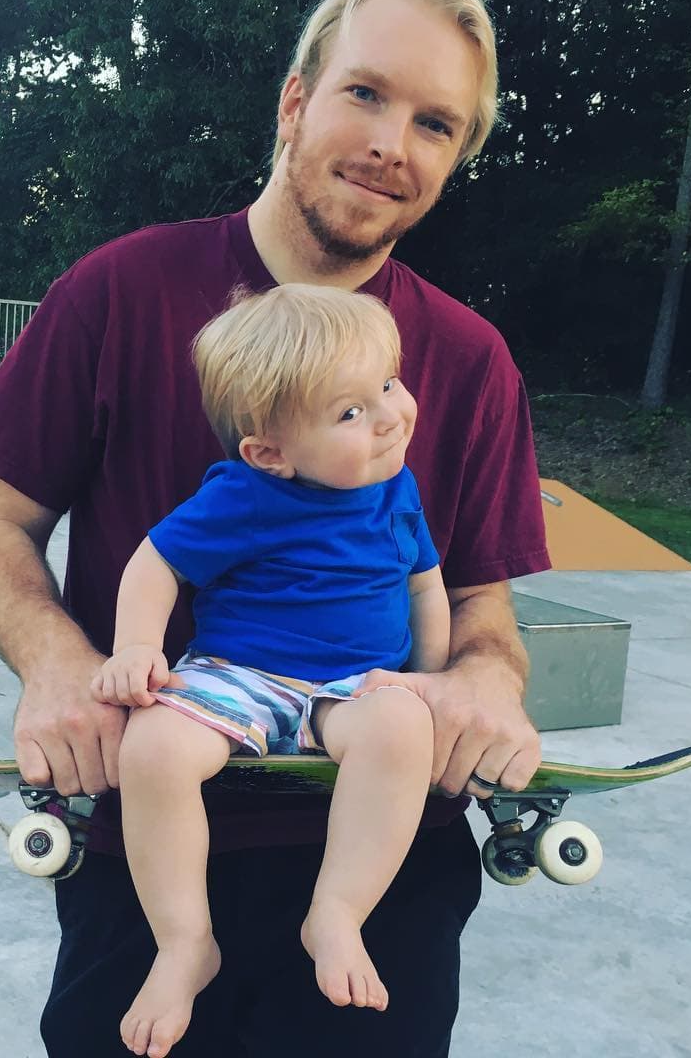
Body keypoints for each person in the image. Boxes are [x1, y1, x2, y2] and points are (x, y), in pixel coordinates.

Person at [0, 0, 552, 1054]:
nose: (389, 143)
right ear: (293, 100)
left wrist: (482, 679)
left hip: (384, 871)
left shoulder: (470, 361)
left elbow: (475, 598)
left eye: (433, 123)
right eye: (364, 94)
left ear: (455, 157)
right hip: (151, 844)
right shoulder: (119, 291)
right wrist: (57, 664)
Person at [91, 284, 449, 1058]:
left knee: (401, 725)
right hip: (241, 675)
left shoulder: (397, 487)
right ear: (270, 452)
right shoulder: (244, 495)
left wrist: (433, 680)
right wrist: (135, 649)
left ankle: (338, 912)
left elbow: (425, 586)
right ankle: (185, 942)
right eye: (350, 412)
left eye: (388, 385)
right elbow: (156, 564)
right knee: (152, 747)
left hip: (355, 684)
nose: (389, 415)